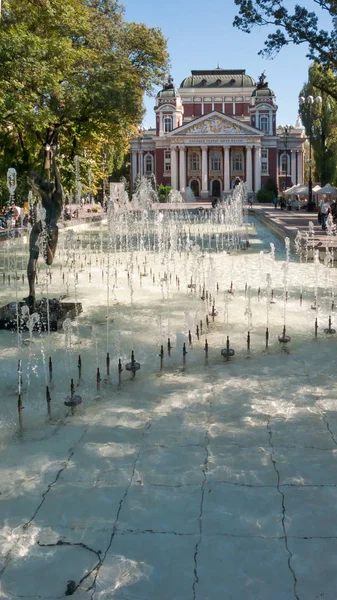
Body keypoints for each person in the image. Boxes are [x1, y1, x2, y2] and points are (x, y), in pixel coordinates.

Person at [25, 152, 63, 310]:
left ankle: (32, 292)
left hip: (39, 225)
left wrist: (34, 175)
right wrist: (53, 160)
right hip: (51, 227)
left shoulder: (42, 194)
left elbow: (34, 182)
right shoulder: (58, 196)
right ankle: (45, 243)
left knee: (33, 256)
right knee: (49, 261)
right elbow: (57, 177)